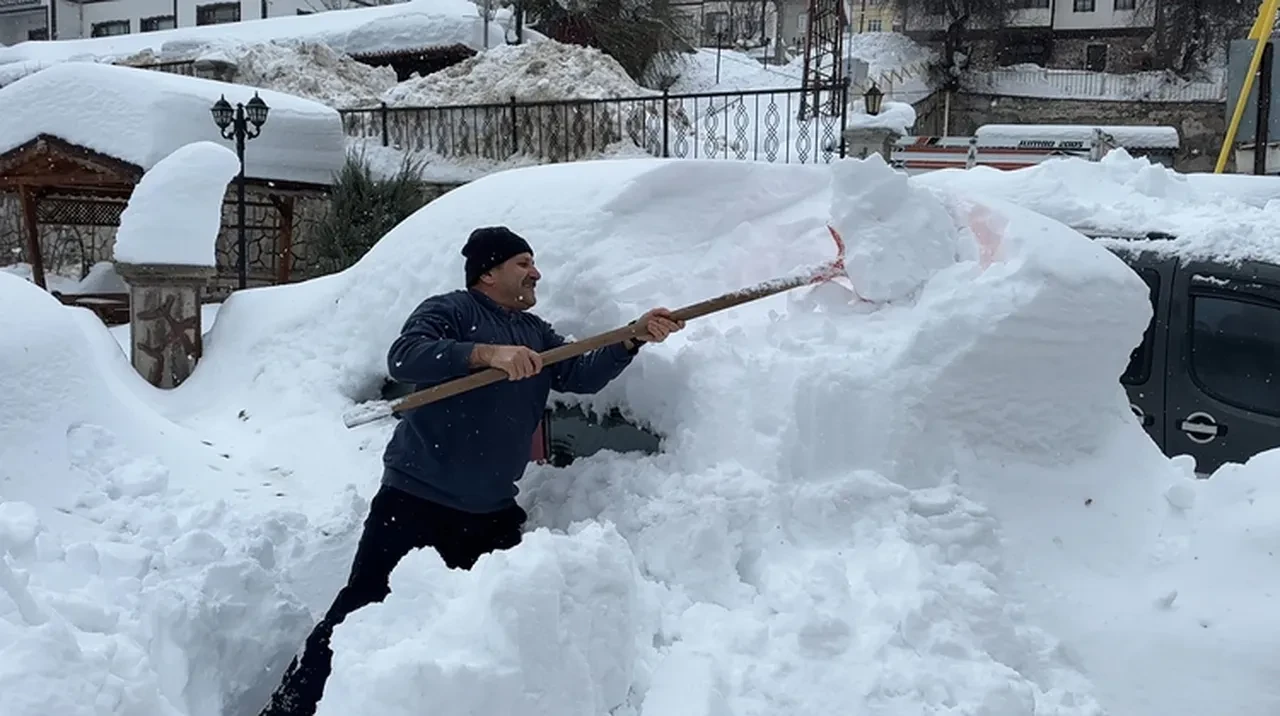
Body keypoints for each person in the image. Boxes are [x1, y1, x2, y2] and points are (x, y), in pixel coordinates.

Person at [258, 226, 685, 716]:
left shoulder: (535, 333)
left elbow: (580, 373)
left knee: (491, 622)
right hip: (415, 501)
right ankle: (291, 707)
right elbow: (405, 356)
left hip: (490, 512)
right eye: (524, 263)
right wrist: (484, 354)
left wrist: (632, 339)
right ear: (488, 271)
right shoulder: (450, 311)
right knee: (362, 611)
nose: (536, 272)